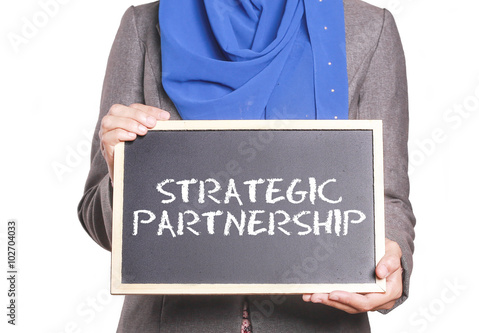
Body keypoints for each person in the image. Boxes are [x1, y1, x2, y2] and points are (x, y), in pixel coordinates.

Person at [78, 0, 416, 331]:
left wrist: (391, 261)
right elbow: (97, 217)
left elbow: (387, 196)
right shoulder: (144, 25)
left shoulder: (369, 28)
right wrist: (122, 171)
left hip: (319, 321)